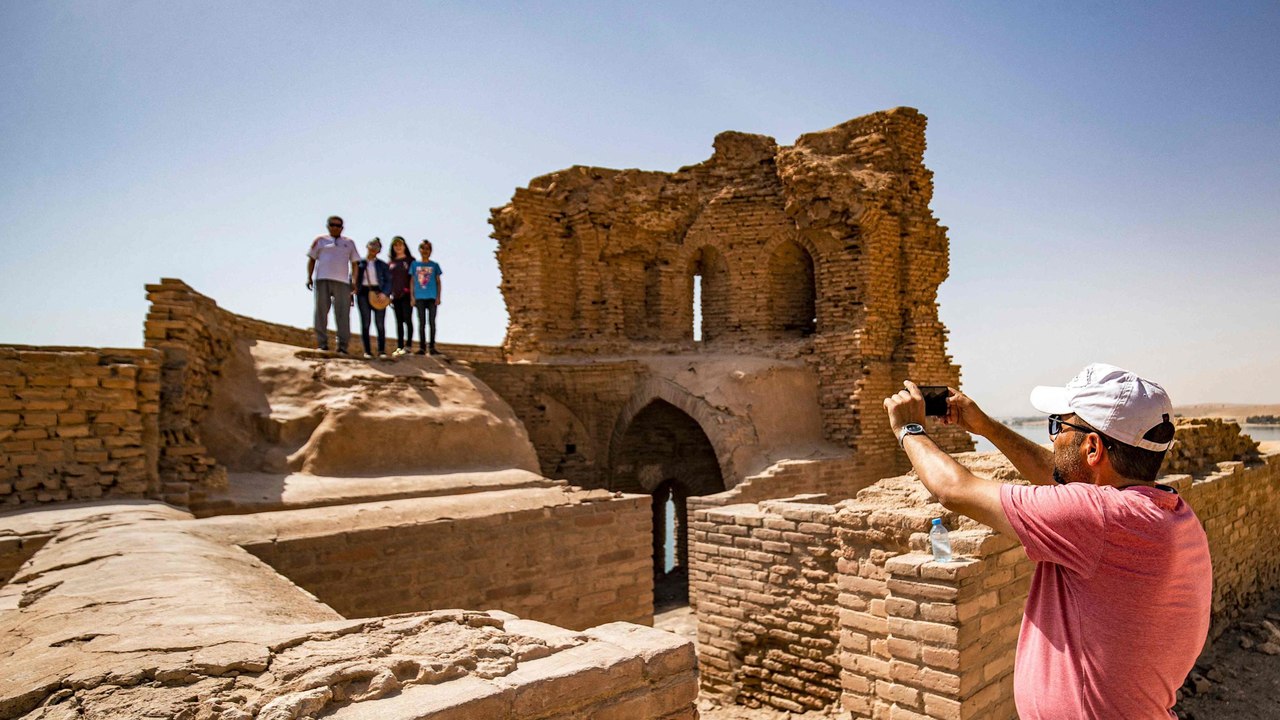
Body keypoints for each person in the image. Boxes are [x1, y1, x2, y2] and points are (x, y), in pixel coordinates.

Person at [883, 363, 1211, 719]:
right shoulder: (1167, 514)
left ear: (1092, 448)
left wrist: (908, 428)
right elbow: (1065, 480)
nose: (1053, 438)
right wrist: (985, 426)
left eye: (1058, 425)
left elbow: (954, 489)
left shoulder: (1098, 518)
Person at [306, 215, 360, 354]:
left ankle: (342, 346)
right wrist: (309, 277)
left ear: (342, 228)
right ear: (328, 226)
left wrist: (354, 281)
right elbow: (312, 259)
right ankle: (322, 343)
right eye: (332, 225)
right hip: (322, 279)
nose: (335, 227)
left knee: (343, 313)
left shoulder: (349, 243)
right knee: (321, 311)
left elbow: (354, 263)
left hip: (342, 281)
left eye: (338, 225)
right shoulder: (320, 241)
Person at [355, 238, 392, 359]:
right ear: (367, 246)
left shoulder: (382, 265)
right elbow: (353, 278)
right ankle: (367, 351)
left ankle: (381, 350)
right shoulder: (359, 263)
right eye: (372, 245)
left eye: (376, 246)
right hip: (363, 293)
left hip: (378, 292)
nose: (373, 248)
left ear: (379, 250)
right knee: (365, 322)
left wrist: (385, 293)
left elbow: (388, 281)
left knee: (380, 323)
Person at [409, 240, 443, 355]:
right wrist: (412, 297)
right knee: (421, 322)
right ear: (419, 250)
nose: (425, 251)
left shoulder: (435, 265)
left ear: (430, 251)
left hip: (432, 297)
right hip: (419, 297)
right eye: (423, 248)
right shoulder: (414, 265)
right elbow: (412, 281)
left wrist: (438, 296)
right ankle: (422, 347)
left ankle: (432, 347)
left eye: (427, 248)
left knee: (432, 322)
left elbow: (438, 281)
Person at [387, 236, 415, 356]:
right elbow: (388, 280)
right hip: (395, 295)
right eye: (395, 245)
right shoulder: (391, 263)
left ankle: (408, 346)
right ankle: (399, 346)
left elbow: (414, 279)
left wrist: (413, 296)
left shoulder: (410, 261)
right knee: (398, 321)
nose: (398, 247)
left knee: (407, 320)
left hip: (407, 294)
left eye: (400, 244)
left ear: (404, 246)